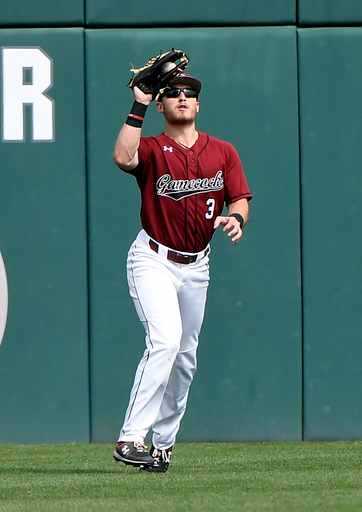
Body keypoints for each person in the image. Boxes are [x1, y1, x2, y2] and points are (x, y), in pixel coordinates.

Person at [112, 71, 252, 473]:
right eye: (172, 93)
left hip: (197, 265)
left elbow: (239, 197)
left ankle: (162, 446)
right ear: (161, 105)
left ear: (198, 104)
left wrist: (237, 219)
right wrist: (138, 102)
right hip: (153, 258)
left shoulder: (222, 151)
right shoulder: (153, 148)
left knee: (185, 359)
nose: (182, 98)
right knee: (165, 341)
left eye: (189, 94)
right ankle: (131, 438)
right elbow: (123, 157)